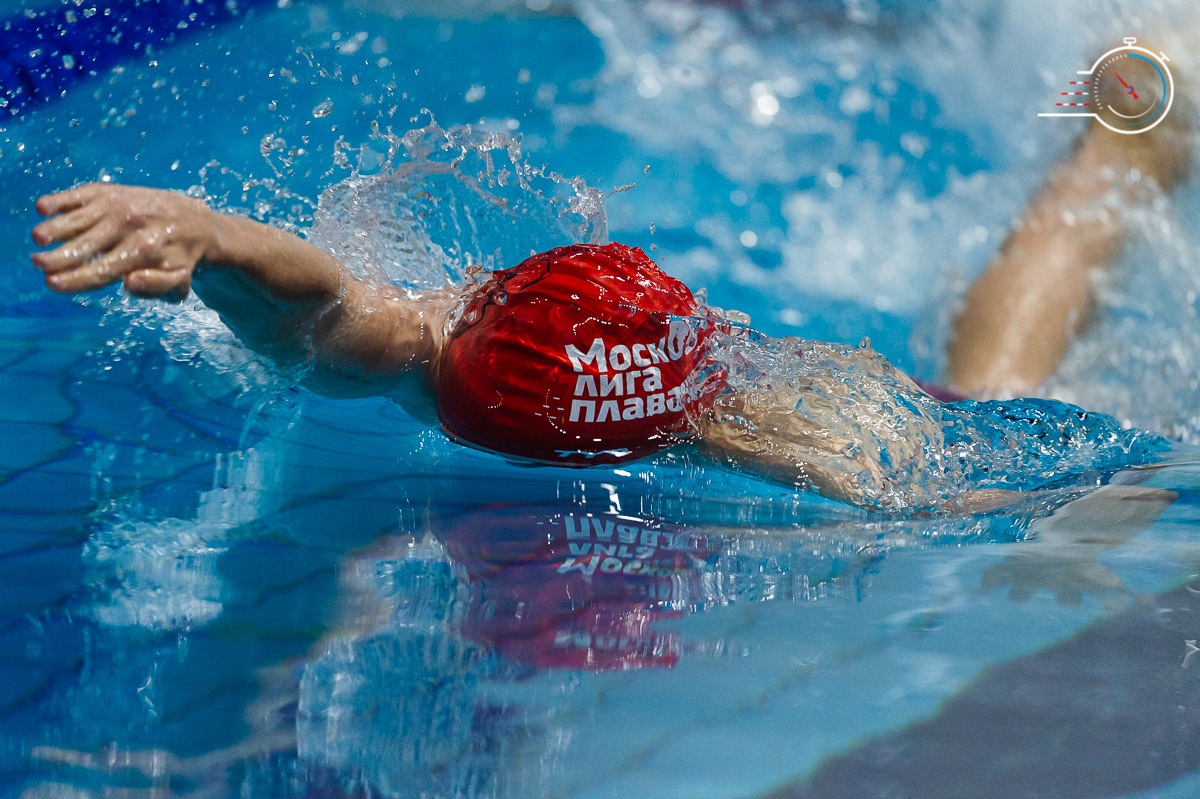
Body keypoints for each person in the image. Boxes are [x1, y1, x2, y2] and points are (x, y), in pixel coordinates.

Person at [29, 118, 1188, 511]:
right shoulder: (715, 402)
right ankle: (1129, 138)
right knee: (984, 398)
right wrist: (208, 231)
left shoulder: (416, 356)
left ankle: (1128, 140)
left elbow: (317, 297)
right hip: (880, 418)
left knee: (989, 402)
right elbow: (316, 292)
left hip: (894, 440)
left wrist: (209, 229)